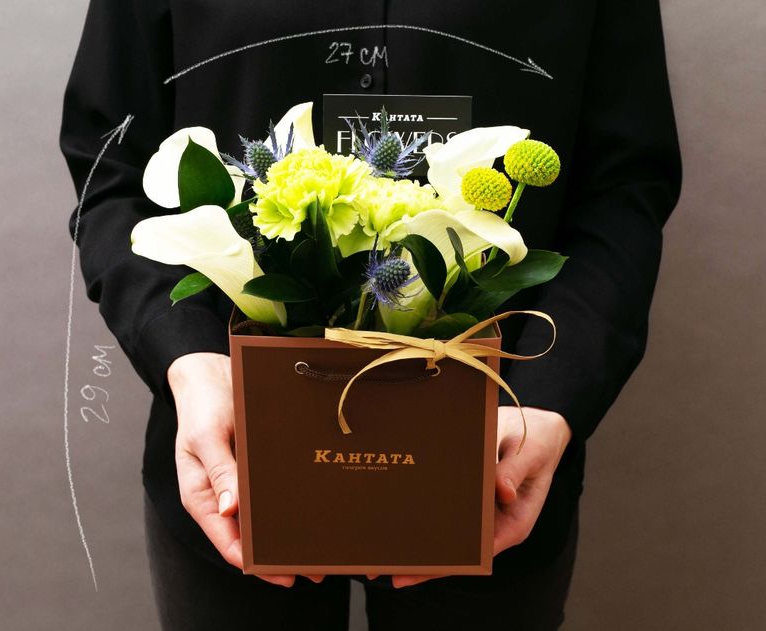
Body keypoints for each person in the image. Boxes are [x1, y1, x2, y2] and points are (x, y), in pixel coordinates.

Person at [60, 1, 681, 629]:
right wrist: (187, 359)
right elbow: (107, 164)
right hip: (233, 451)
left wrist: (551, 392)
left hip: (498, 453)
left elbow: (625, 184)